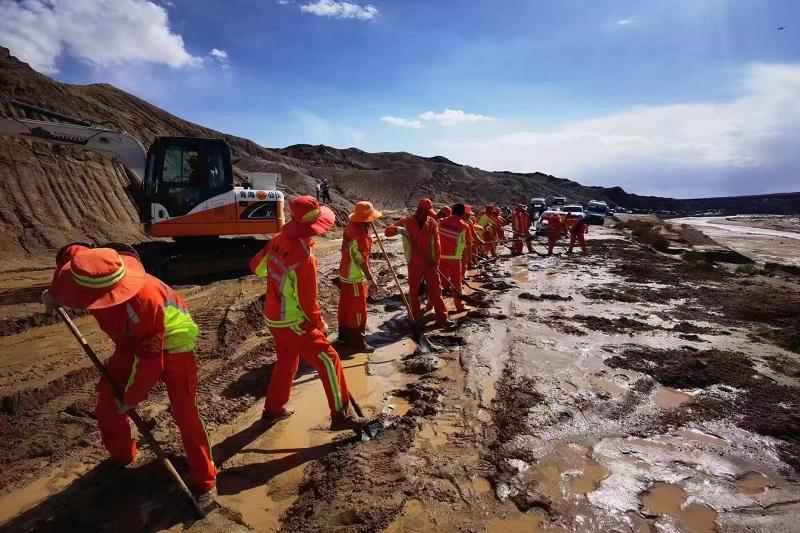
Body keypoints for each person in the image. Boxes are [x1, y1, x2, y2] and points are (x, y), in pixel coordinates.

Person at [42, 245, 217, 501]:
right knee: (106, 405)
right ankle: (122, 456)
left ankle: (205, 479)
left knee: (185, 412)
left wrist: (131, 398)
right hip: (129, 343)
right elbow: (71, 257)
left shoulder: (144, 299)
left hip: (173, 344)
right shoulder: (85, 269)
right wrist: (54, 295)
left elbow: (150, 361)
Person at [250, 196, 363, 431]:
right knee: (328, 359)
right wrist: (319, 324)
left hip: (273, 317)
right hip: (292, 320)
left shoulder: (277, 240)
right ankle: (342, 415)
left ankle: (273, 411)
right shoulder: (304, 255)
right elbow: (307, 300)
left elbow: (257, 268)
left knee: (287, 361)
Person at [385, 198, 449, 326]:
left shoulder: (431, 223)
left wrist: (436, 262)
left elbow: (436, 244)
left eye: (428, 213)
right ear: (419, 210)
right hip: (413, 262)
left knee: (436, 288)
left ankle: (441, 314)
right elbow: (387, 232)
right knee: (414, 289)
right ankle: (415, 312)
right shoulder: (406, 221)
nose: (427, 215)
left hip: (429, 262)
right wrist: (397, 230)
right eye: (425, 212)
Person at [336, 201, 381, 352]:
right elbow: (360, 259)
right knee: (357, 310)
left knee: (345, 306)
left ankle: (343, 336)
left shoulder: (351, 227)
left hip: (344, 271)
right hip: (354, 276)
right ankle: (357, 341)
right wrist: (370, 278)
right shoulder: (360, 234)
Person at [439, 204, 472, 313]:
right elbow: (468, 245)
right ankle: (459, 306)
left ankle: (433, 304)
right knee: (456, 283)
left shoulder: (442, 221)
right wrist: (467, 259)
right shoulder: (464, 226)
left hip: (439, 257)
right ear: (462, 213)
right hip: (454, 258)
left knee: (438, 283)